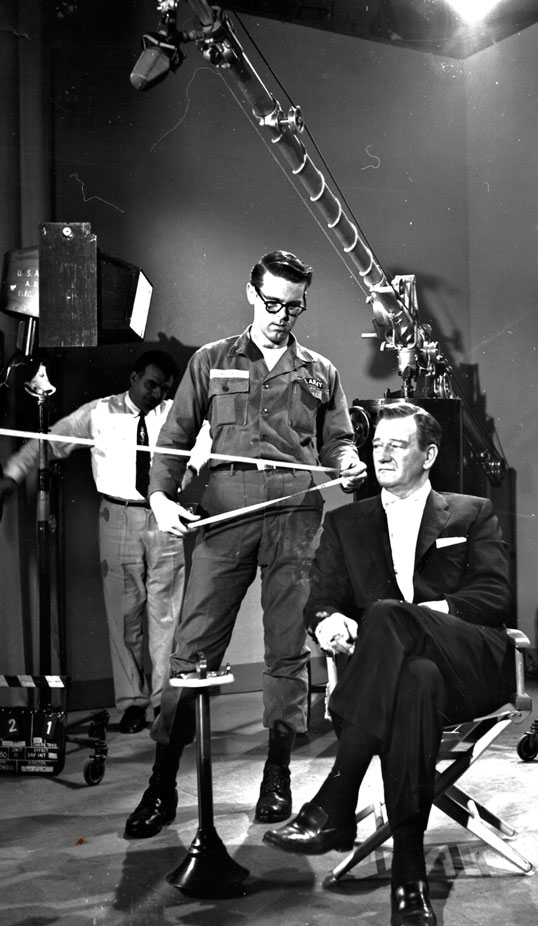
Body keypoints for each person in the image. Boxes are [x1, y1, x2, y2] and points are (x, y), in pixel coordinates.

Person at [124, 249, 366, 839]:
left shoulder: (321, 372)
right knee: (192, 650)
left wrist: (348, 463)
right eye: (273, 303)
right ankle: (162, 782)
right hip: (227, 511)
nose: (282, 316)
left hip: (295, 514)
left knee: (287, 649)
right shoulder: (211, 360)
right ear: (252, 294)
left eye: (294, 306)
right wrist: (160, 497)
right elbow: (175, 436)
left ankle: (276, 774)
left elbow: (336, 441)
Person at [263, 402, 515, 926]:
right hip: (398, 683)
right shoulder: (345, 523)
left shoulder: (471, 512)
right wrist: (329, 623)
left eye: (397, 445)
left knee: (387, 615)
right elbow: (322, 601)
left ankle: (336, 799)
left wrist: (416, 616)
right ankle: (409, 875)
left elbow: (495, 596)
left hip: (467, 666)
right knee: (416, 681)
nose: (382, 454)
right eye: (376, 444)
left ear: (429, 455)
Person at [0, 350, 205, 733]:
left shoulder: (175, 413)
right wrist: (12, 474)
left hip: (164, 518)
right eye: (151, 385)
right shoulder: (99, 413)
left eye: (164, 389)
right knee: (124, 618)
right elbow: (49, 441)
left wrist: (191, 466)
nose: (157, 394)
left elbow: (208, 434)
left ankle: (165, 704)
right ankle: (132, 704)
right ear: (133, 378)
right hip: (117, 517)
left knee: (167, 618)